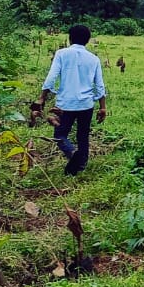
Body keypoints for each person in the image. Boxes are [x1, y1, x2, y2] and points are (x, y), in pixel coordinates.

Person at [34, 24, 106, 176]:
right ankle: (81, 166)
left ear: (70, 38)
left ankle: (72, 153)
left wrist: (42, 97)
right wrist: (102, 107)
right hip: (86, 104)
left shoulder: (61, 54)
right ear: (87, 40)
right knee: (83, 135)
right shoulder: (94, 59)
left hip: (65, 104)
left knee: (59, 135)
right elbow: (99, 85)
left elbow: (51, 77)